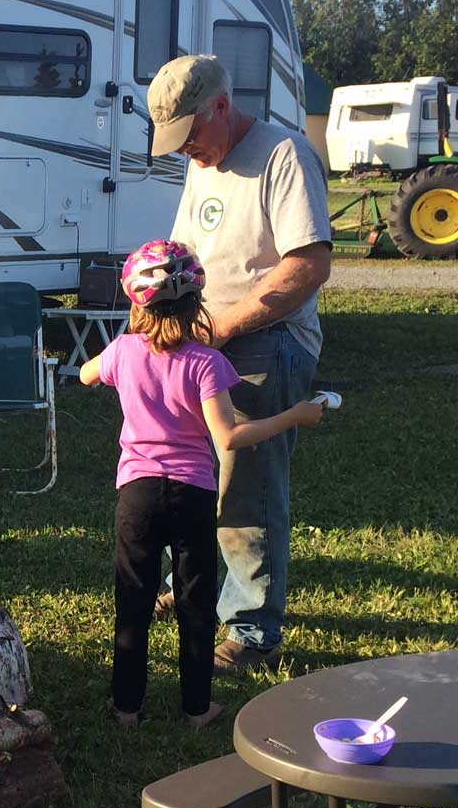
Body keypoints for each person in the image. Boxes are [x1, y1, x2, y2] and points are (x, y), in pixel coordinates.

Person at [80, 241, 323, 726]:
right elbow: (230, 437)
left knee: (134, 599)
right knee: (195, 601)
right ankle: (197, 708)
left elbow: (88, 374)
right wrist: (294, 414)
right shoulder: (207, 364)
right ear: (198, 304)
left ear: (136, 303)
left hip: (138, 494)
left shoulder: (123, 351)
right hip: (192, 494)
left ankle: (126, 706)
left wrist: (115, 364)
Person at [148, 54, 333, 673]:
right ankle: (204, 586)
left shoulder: (283, 156)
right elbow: (184, 251)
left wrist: (224, 325)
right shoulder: (204, 160)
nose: (185, 152)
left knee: (246, 489)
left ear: (220, 107)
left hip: (268, 343)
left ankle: (253, 630)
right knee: (197, 476)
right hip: (207, 342)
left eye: (189, 137)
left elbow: (308, 265)